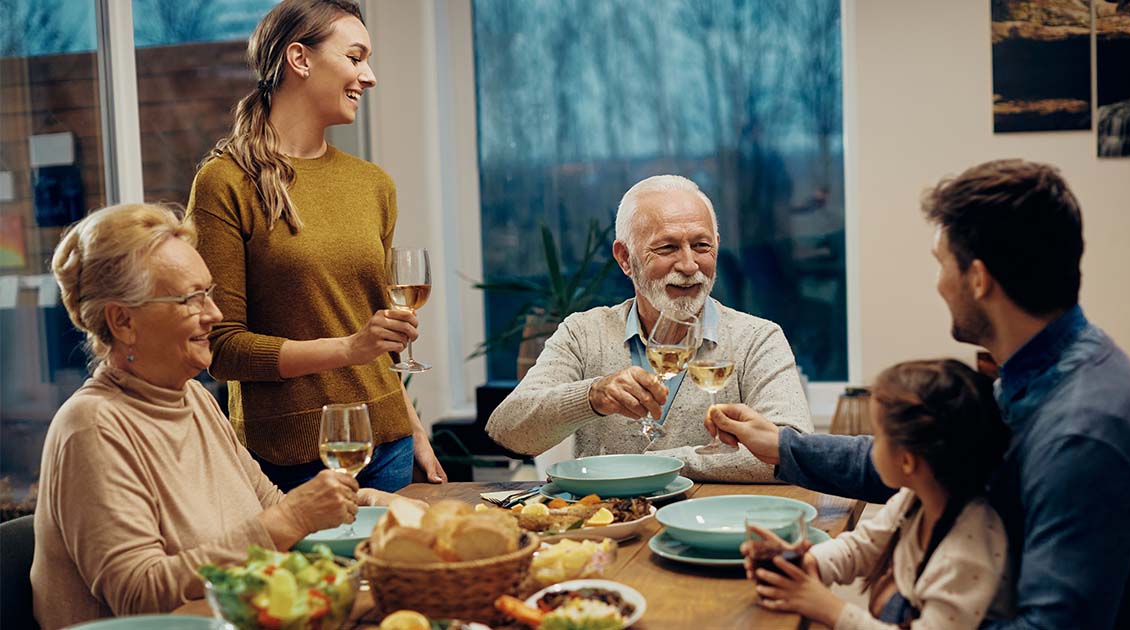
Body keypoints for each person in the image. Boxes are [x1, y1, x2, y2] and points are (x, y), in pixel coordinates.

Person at [707, 159, 1130, 628]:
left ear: (978, 279)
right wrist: (783, 445)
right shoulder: (1045, 367)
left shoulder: (1084, 435)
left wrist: (897, 610)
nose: (938, 284)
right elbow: (929, 460)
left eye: (941, 264)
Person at [32, 203, 417, 630]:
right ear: (123, 322)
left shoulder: (193, 400)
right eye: (190, 299)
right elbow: (139, 593)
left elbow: (270, 507)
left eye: (209, 293)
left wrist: (365, 502)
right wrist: (293, 518)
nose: (214, 315)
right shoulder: (92, 427)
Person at [187, 0, 444, 492]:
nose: (369, 77)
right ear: (299, 59)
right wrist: (349, 349)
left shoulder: (373, 185)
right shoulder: (225, 183)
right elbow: (222, 349)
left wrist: (411, 426)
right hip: (290, 456)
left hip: (386, 444)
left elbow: (376, 331)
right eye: (355, 57)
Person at [487, 174, 812, 482]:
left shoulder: (757, 339)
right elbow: (509, 431)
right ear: (625, 258)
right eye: (667, 248)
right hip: (607, 533)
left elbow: (793, 452)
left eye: (701, 246)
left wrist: (658, 464)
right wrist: (593, 396)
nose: (688, 266)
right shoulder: (583, 334)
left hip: (716, 528)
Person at [744, 359, 1013, 629]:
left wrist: (829, 608)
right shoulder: (913, 498)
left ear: (907, 461)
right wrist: (807, 562)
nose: (869, 447)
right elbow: (862, 546)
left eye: (878, 436)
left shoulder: (966, 556)